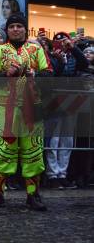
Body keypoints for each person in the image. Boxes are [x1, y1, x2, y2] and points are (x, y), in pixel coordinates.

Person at [0, 13, 52, 211]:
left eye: (19, 26)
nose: (16, 29)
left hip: (33, 108)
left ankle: (33, 195)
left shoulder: (36, 49)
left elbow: (50, 75)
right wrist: (7, 74)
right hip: (5, 109)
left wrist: (34, 74)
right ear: (7, 30)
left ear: (25, 29)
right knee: (3, 152)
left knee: (34, 153)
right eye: (12, 26)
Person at [45, 32, 88, 189]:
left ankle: (62, 173)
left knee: (67, 139)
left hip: (72, 102)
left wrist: (74, 48)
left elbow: (84, 64)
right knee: (53, 139)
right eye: (58, 42)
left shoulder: (74, 56)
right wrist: (58, 59)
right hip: (54, 102)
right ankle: (52, 174)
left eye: (64, 41)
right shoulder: (49, 56)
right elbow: (52, 74)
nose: (61, 44)